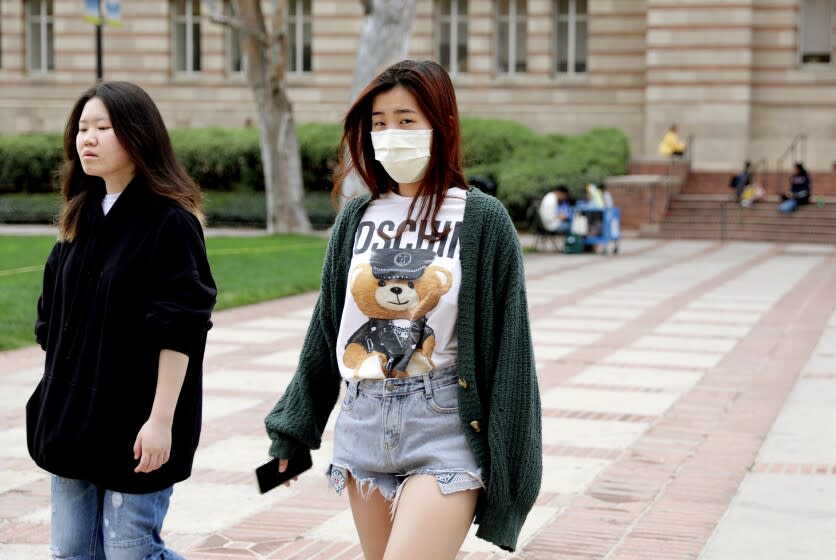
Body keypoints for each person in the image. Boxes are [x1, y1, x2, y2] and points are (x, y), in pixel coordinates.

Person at [264, 59, 542, 558]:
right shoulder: (356, 216)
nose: (390, 134)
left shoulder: (483, 220)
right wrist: (291, 433)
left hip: (443, 423)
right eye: (378, 123)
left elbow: (511, 353)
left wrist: (514, 482)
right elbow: (328, 330)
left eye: (406, 120)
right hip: (362, 419)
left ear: (443, 124)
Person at [25, 81, 217, 559]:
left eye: (102, 128)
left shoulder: (170, 223)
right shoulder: (78, 220)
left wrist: (160, 421)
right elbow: (50, 322)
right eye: (81, 129)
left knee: (131, 551)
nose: (86, 139)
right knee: (71, 553)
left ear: (137, 136)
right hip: (73, 419)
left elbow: (182, 328)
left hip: (137, 420)